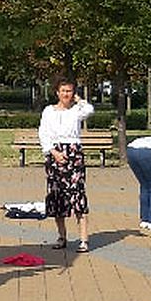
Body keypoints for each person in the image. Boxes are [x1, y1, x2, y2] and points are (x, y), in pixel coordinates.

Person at [38, 80, 95, 251]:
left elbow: (89, 110)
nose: (66, 94)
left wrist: (78, 99)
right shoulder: (49, 111)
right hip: (54, 153)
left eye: (69, 91)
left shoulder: (77, 110)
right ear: (57, 92)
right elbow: (43, 133)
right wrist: (53, 152)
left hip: (73, 152)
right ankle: (62, 236)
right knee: (57, 194)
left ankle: (83, 240)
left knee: (77, 193)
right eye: (63, 91)